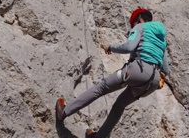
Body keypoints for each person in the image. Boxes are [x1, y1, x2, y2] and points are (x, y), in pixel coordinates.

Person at [56, 8, 170, 138]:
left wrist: (111, 47)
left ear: (138, 19)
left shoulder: (140, 27)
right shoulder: (162, 39)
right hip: (153, 81)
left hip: (138, 70)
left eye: (133, 23)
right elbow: (166, 69)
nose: (133, 26)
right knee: (119, 105)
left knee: (101, 87)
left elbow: (129, 47)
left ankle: (65, 110)